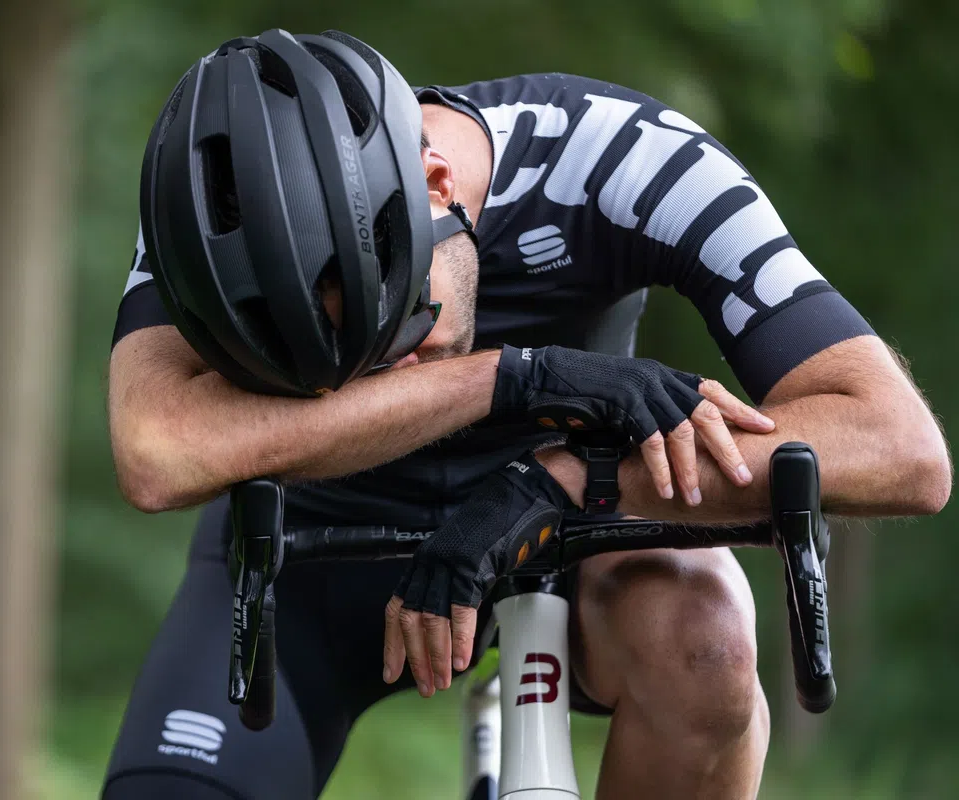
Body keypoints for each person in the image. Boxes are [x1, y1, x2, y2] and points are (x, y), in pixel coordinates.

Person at [102, 29, 950, 800]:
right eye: (330, 369)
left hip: (579, 550)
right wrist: (509, 379)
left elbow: (899, 445)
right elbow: (157, 451)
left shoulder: (619, 157)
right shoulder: (214, 215)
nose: (385, 373)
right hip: (317, 558)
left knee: (709, 643)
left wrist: (562, 483)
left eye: (402, 322)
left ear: (437, 182)